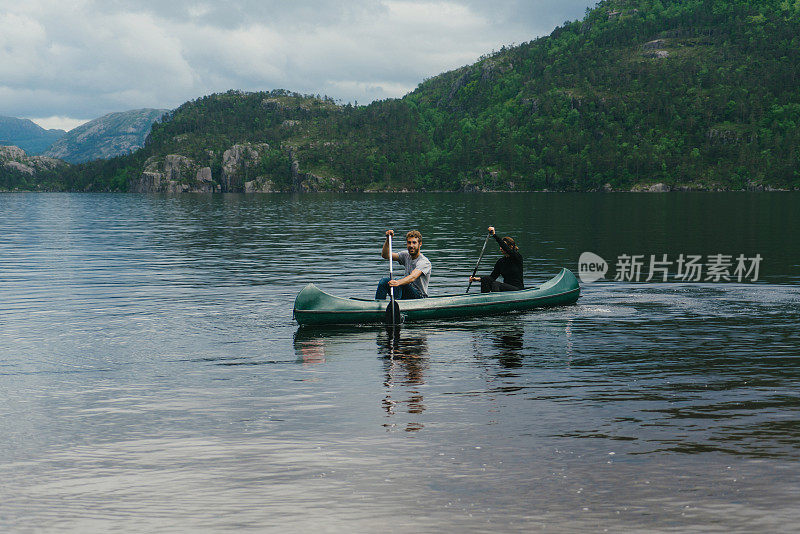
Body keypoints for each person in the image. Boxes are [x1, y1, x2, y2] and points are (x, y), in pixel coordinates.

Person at [376, 229, 431, 300]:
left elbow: (413, 277)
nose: (411, 245)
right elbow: (386, 255)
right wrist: (388, 240)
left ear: (420, 244)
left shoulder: (424, 262)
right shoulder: (406, 255)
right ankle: (378, 305)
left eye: (414, 243)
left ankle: (397, 304)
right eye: (409, 243)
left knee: (398, 281)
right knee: (384, 281)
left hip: (419, 296)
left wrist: (398, 282)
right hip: (406, 290)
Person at [469, 226, 524, 292]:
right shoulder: (501, 262)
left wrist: (494, 235)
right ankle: (485, 299)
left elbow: (506, 248)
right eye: (500, 246)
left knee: (496, 284)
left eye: (503, 246)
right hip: (506, 288)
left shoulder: (517, 257)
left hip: (517, 289)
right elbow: (492, 277)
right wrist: (476, 279)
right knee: (486, 279)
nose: (501, 248)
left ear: (511, 247)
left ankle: (496, 300)